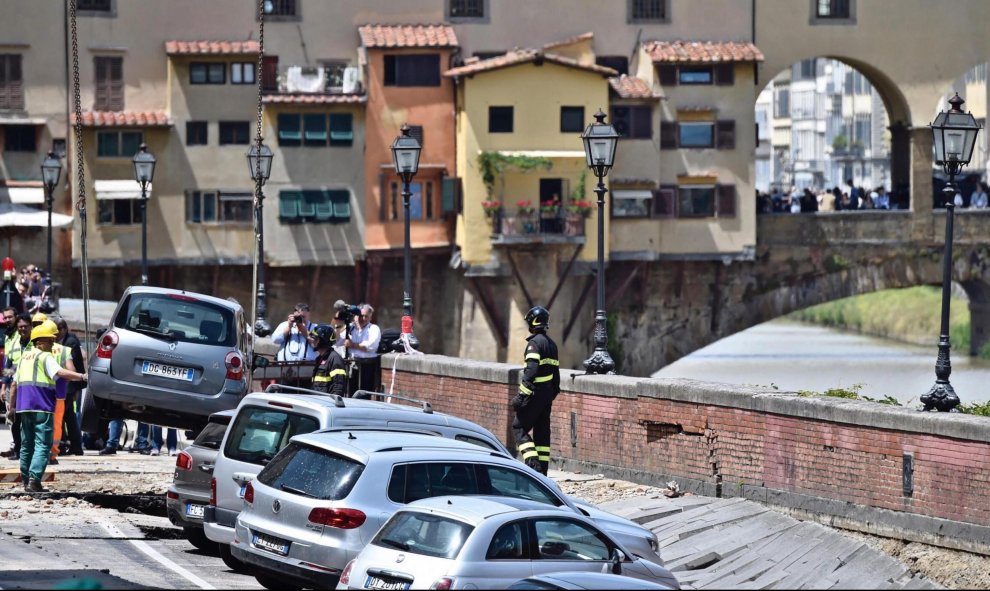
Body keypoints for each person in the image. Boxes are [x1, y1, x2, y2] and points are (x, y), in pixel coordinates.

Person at [13, 320, 86, 491]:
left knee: (26, 445)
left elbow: (14, 384)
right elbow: (60, 373)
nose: (53, 344)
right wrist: (82, 377)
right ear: (39, 341)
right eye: (49, 340)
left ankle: (26, 480)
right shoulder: (45, 356)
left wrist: (12, 408)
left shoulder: (24, 358)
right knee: (42, 444)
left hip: (24, 408)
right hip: (42, 407)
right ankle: (34, 480)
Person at [510, 305, 560, 476]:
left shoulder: (534, 344)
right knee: (542, 434)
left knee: (519, 428)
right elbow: (556, 377)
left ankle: (533, 465)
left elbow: (530, 372)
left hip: (535, 393)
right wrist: (550, 395)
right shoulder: (552, 345)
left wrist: (522, 396)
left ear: (533, 322)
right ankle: (542, 474)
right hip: (547, 395)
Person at [2, 313, 33, 460]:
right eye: (20, 327)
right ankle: (18, 450)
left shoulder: (36, 342)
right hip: (14, 386)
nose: (22, 329)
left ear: (31, 326)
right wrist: (3, 386)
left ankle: (29, 450)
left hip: (30, 387)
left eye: (25, 326)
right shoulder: (14, 343)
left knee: (29, 420)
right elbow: (7, 367)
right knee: (14, 418)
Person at [53, 317, 85, 456]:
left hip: (70, 384)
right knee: (68, 415)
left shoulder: (70, 343)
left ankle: (67, 443)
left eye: (59, 329)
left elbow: (74, 367)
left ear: (64, 329)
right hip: (64, 384)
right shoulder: (60, 342)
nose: (56, 332)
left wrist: (75, 388)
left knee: (64, 415)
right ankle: (74, 445)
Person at [344, 304, 381, 395]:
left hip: (366, 366)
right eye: (361, 316)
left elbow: (370, 346)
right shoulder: (350, 327)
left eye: (366, 316)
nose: (363, 318)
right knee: (350, 394)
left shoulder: (373, 329)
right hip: (352, 366)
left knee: (364, 395)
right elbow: (337, 340)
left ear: (370, 317)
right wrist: (340, 317)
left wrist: (353, 345)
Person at [309, 324, 347, 397]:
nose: (313, 341)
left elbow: (338, 386)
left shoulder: (335, 359)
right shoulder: (319, 359)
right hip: (318, 401)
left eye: (316, 339)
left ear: (323, 341)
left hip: (327, 403)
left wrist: (334, 403)